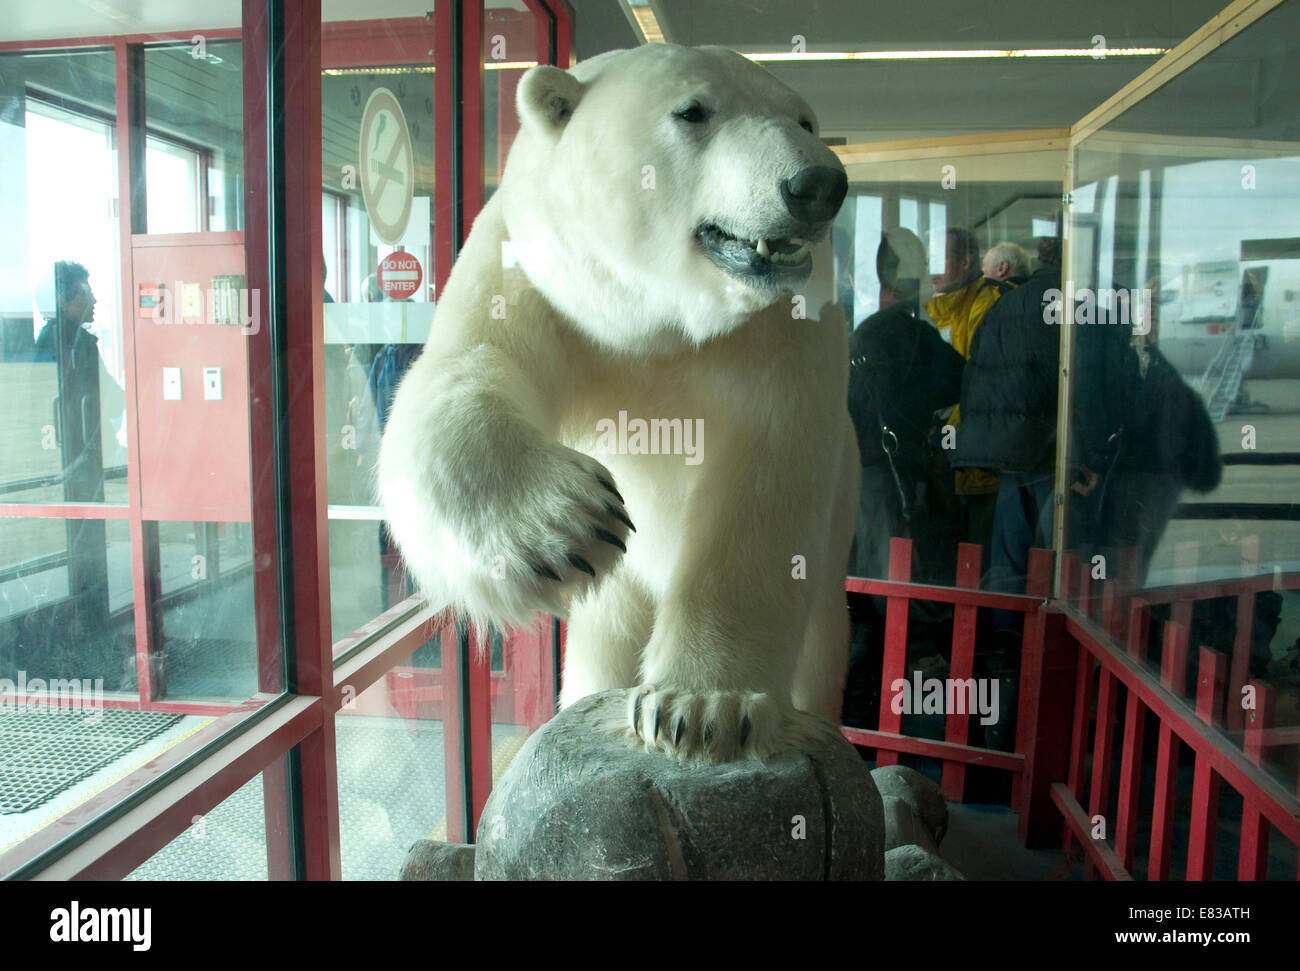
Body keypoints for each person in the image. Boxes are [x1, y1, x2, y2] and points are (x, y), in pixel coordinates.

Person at [842, 228, 966, 729]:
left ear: (879, 278)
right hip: (916, 479)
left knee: (871, 602)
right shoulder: (924, 337)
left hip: (873, 483)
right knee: (912, 601)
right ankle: (915, 720)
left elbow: (845, 414)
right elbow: (958, 379)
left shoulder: (865, 337)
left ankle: (861, 718)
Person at [32, 261, 127, 682]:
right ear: (64, 301)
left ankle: (83, 634)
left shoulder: (46, 343)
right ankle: (91, 632)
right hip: (81, 460)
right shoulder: (75, 344)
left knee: (81, 546)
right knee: (88, 547)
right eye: (84, 295)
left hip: (70, 458)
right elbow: (110, 396)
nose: (92, 302)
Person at [924, 231, 1026, 552]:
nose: (929, 268)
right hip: (941, 463)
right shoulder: (929, 309)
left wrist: (943, 439)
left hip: (977, 467)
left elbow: (984, 387)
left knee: (975, 560)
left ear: (966, 261)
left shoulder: (991, 308)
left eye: (939, 257)